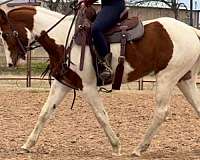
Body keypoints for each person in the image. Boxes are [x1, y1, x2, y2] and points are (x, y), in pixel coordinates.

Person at [79, 0, 125, 82]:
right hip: (106, 6)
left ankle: (106, 65)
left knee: (96, 29)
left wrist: (86, 2)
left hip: (114, 5)